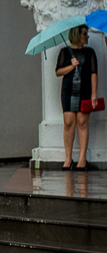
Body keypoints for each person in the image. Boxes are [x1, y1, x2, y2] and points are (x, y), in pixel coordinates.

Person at [55, 25, 99, 169]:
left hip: (85, 91)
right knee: (68, 122)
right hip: (68, 91)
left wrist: (94, 94)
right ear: (77, 35)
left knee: (82, 122)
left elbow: (94, 73)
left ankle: (82, 160)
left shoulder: (90, 52)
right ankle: (68, 159)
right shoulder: (65, 52)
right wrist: (71, 66)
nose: (87, 36)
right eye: (85, 34)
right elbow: (58, 72)